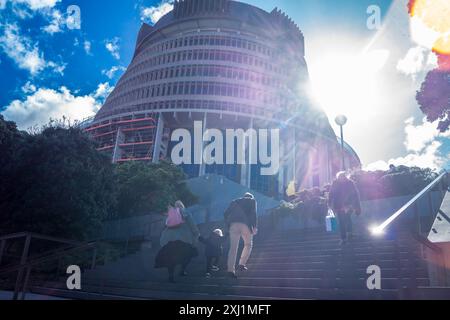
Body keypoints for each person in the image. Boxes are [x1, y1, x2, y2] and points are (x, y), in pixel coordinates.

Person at [155, 200, 200, 283]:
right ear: (182, 206)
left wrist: (162, 239)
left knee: (170, 259)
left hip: (168, 240)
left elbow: (165, 226)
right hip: (184, 239)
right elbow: (192, 224)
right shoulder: (186, 212)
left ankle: (171, 276)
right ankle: (182, 270)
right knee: (188, 255)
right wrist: (196, 233)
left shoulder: (171, 213)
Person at [224, 192, 258, 279]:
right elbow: (253, 214)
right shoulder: (252, 201)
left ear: (244, 197)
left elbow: (226, 213)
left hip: (233, 225)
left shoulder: (234, 201)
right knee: (248, 244)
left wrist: (228, 224)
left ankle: (230, 270)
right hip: (245, 225)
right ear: (250, 197)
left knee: (233, 248)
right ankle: (242, 264)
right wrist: (254, 226)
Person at [328, 172, 362, 245]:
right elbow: (331, 194)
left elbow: (355, 195)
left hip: (348, 205)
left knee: (346, 218)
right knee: (342, 221)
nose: (342, 178)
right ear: (338, 177)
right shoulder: (335, 183)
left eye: (343, 176)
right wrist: (330, 204)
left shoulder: (350, 183)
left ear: (345, 177)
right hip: (339, 206)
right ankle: (344, 238)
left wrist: (357, 207)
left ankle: (349, 234)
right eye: (340, 177)